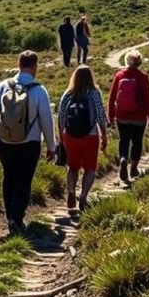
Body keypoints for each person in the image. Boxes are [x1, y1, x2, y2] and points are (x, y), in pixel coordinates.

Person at [0, 50, 56, 234]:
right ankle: (17, 218)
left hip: (4, 142)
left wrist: (5, 124)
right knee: (24, 180)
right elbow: (47, 121)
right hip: (30, 143)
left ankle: (10, 217)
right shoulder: (39, 90)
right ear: (34, 67)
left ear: (18, 65)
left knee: (9, 177)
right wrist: (51, 147)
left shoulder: (3, 86)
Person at [57, 65, 108, 212]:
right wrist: (104, 134)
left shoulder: (68, 93)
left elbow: (61, 116)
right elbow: (100, 116)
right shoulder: (94, 92)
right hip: (90, 136)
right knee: (90, 168)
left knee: (72, 167)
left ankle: (71, 191)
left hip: (70, 136)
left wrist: (61, 135)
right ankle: (84, 195)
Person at [107, 48, 149, 182]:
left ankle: (123, 159)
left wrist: (110, 116)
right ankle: (133, 168)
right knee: (137, 142)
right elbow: (148, 100)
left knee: (124, 140)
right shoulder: (143, 77)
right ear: (139, 62)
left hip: (122, 115)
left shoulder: (119, 75)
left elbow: (111, 98)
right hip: (139, 117)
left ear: (127, 60)